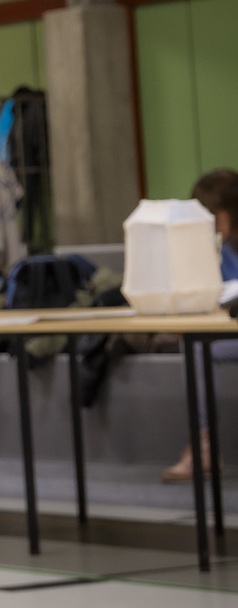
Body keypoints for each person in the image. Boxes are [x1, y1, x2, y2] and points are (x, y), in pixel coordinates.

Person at [163, 168, 238, 481]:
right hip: (228, 332)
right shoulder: (212, 249)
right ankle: (204, 446)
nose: (209, 224)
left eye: (214, 215)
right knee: (196, 346)